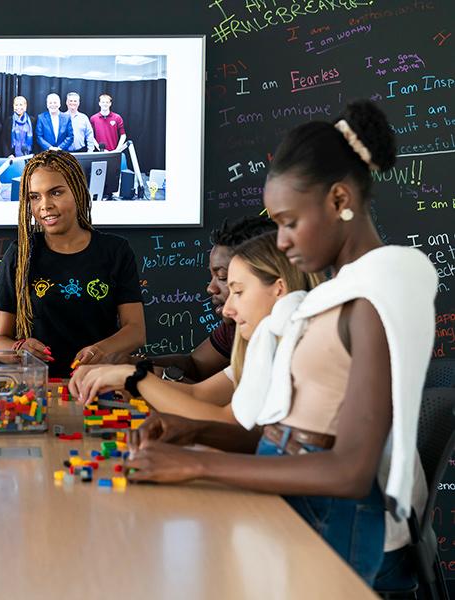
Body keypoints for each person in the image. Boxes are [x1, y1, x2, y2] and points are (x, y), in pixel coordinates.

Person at [125, 101, 436, 587]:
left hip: (333, 521)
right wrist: (191, 430)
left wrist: (195, 463)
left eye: (289, 222)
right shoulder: (330, 296)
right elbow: (288, 435)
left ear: (338, 200)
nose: (282, 241)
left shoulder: (374, 298)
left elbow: (349, 471)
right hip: (299, 501)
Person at [70, 232, 322, 422]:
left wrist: (133, 376)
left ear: (279, 289)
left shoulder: (302, 348)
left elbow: (229, 424)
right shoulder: (260, 342)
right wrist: (131, 376)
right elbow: (200, 395)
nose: (229, 308)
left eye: (238, 290)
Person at [0, 149, 145, 378]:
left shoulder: (115, 251)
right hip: (37, 390)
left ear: (79, 192)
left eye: (56, 192)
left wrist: (101, 350)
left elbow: (136, 331)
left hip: (98, 385)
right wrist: (20, 349)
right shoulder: (21, 255)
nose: (45, 205)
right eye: (35, 196)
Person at [148, 216, 278, 382]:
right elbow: (198, 369)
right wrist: (135, 364)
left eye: (223, 277)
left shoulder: (296, 342)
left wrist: (146, 376)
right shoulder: (236, 326)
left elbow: (212, 401)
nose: (211, 288)